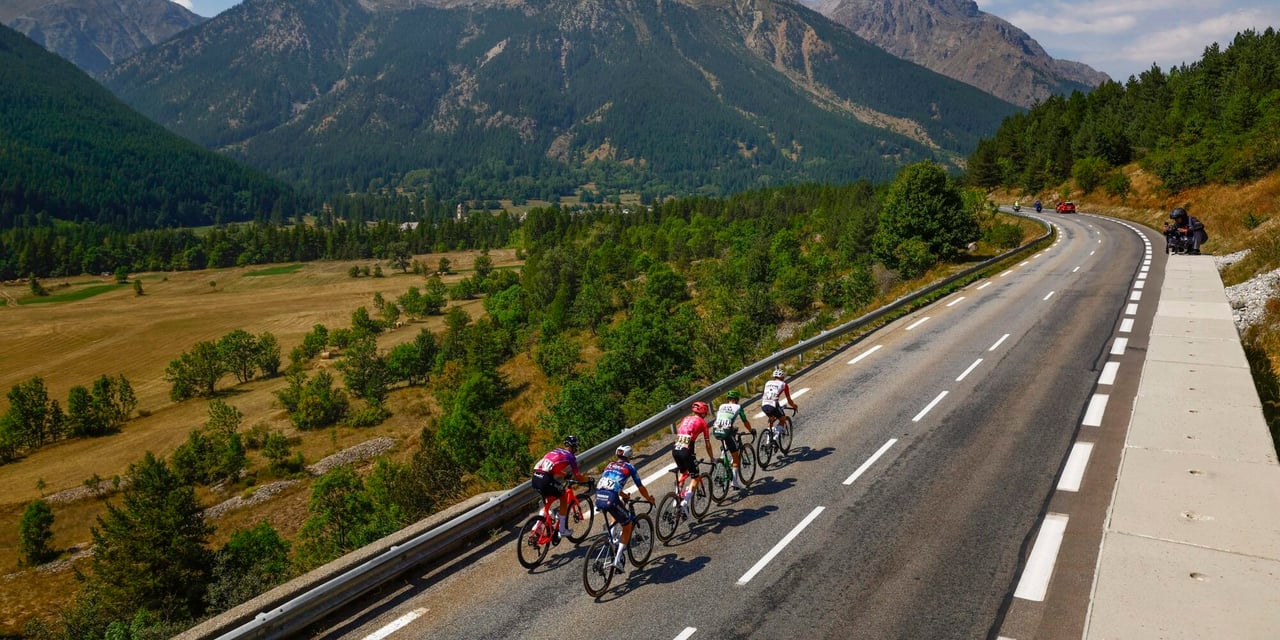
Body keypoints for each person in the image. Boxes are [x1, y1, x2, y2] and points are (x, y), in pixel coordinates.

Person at [594, 445, 655, 570]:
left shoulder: (609, 465)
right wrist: (649, 498)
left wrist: (624, 495)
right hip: (611, 498)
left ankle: (611, 537)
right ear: (629, 456)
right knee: (627, 526)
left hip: (599, 496)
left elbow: (611, 484)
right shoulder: (630, 467)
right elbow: (640, 486)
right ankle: (617, 560)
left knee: (614, 511)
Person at [531, 435, 591, 544]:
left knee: (548, 501)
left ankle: (537, 526)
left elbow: (552, 469)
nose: (576, 449)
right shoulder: (571, 457)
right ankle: (562, 530)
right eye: (576, 447)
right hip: (545, 479)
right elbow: (577, 476)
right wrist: (588, 480)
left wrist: (564, 474)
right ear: (573, 447)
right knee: (563, 496)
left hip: (535, 478)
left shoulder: (556, 451)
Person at [672, 401, 716, 509]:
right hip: (687, 450)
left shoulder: (685, 418)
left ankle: (676, 497)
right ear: (704, 412)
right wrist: (712, 458)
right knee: (695, 478)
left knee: (683, 472)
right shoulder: (702, 422)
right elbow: (707, 444)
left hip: (675, 449)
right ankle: (685, 502)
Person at [712, 390, 753, 490]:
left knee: (728, 438)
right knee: (736, 457)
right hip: (727, 432)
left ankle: (723, 455)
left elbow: (723, 418)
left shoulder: (721, 406)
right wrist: (751, 430)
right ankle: (734, 482)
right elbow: (744, 420)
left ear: (728, 400)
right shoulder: (738, 407)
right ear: (737, 400)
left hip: (716, 430)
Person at [761, 369, 797, 438]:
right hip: (773, 405)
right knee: (782, 419)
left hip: (764, 405)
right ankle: (775, 436)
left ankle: (768, 440)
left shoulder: (767, 383)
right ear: (783, 377)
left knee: (771, 419)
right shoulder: (784, 385)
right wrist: (794, 406)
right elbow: (789, 400)